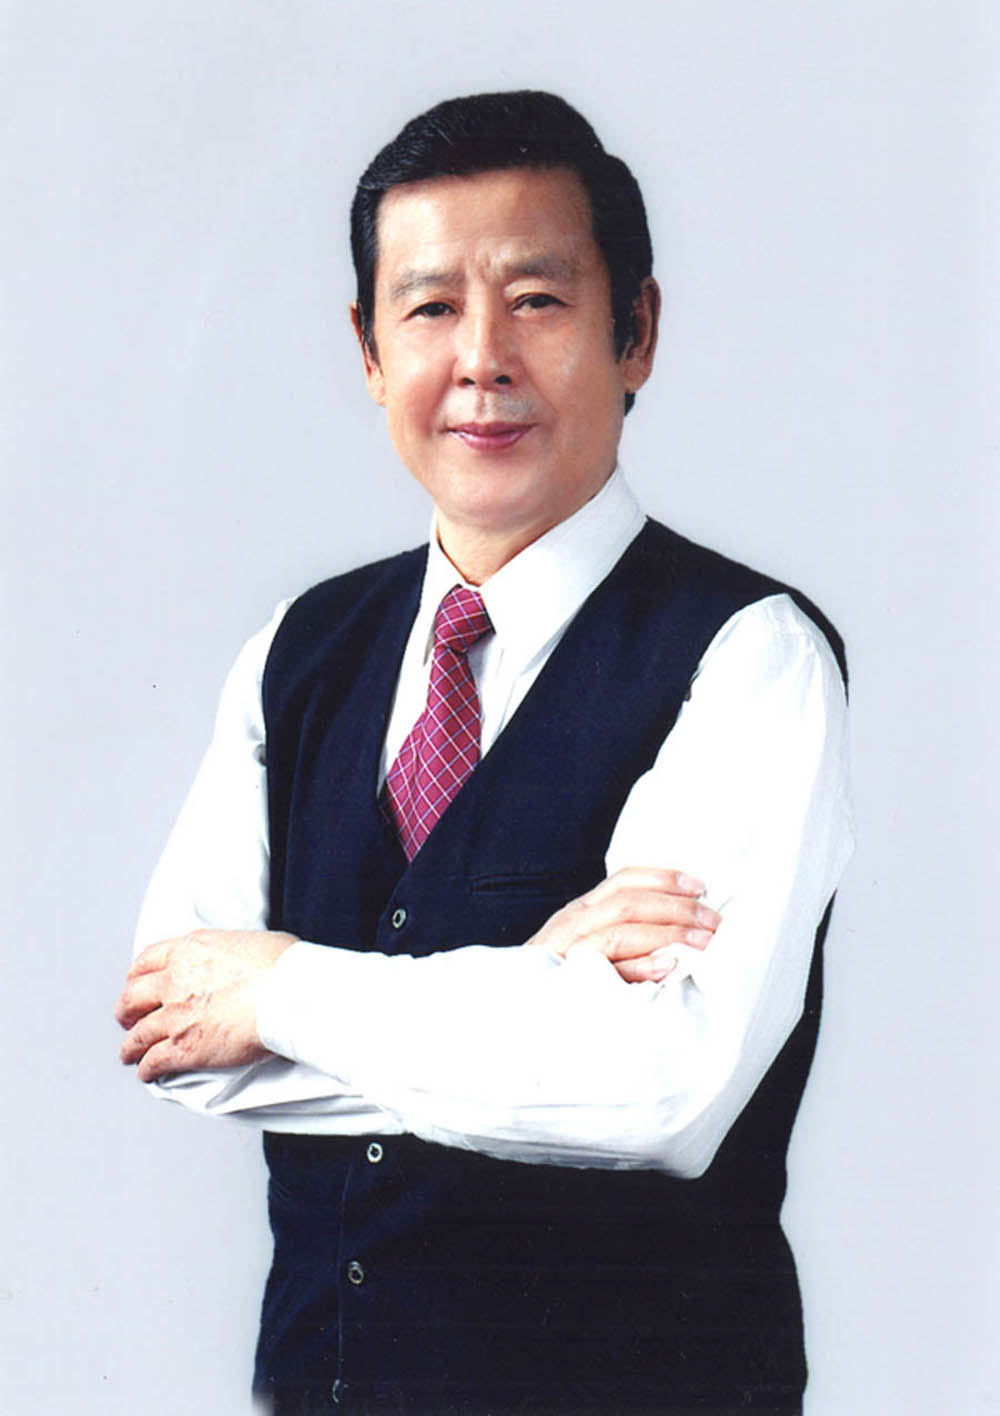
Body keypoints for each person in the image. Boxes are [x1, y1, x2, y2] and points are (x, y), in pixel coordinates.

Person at [115, 91, 853, 1415]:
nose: (481, 358)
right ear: (366, 348)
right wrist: (536, 991)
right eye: (430, 308)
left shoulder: (749, 653)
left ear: (637, 332)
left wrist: (279, 987)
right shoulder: (301, 649)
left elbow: (665, 1092)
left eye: (537, 301)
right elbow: (182, 1032)